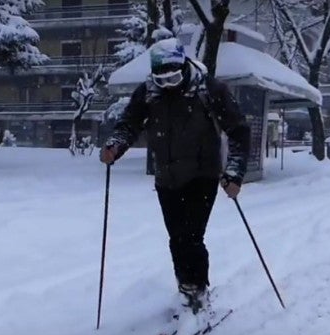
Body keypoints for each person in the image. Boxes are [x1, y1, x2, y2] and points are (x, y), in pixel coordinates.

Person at [100, 38, 251, 314]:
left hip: (202, 175)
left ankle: (198, 289)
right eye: (162, 79)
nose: (168, 84)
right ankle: (186, 287)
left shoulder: (209, 89)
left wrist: (234, 173)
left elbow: (238, 130)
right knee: (176, 238)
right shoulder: (148, 92)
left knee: (192, 236)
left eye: (173, 77)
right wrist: (116, 145)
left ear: (184, 67)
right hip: (166, 177)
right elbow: (129, 124)